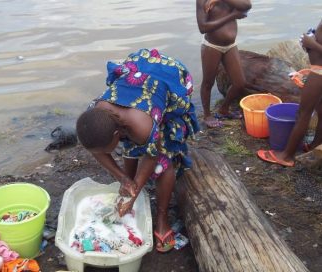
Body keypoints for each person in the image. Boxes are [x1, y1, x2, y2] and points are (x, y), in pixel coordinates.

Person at [76, 49, 199, 253]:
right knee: (131, 152)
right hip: (137, 80)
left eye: (110, 147)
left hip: (169, 79)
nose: (105, 152)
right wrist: (124, 178)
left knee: (162, 165)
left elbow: (151, 157)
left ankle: (161, 217)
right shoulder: (96, 114)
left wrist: (135, 192)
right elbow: (97, 151)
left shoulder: (142, 126)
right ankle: (130, 181)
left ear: (117, 133)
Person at [258, 20, 322, 167]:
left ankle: (286, 156)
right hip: (318, 69)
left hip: (319, 73)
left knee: (303, 114)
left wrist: (311, 43)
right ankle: (314, 147)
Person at [196, 0, 252, 128]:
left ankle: (224, 109)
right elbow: (203, 27)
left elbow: (246, 6)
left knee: (240, 83)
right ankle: (207, 115)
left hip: (230, 46)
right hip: (212, 46)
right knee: (208, 83)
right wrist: (232, 16)